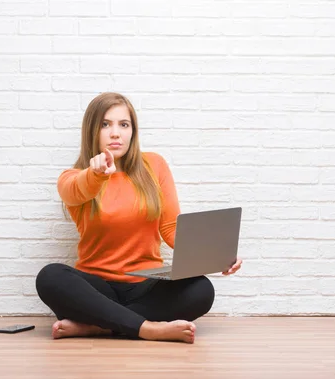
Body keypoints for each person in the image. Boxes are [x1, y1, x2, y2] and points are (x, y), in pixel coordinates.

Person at [35, 92, 242, 344]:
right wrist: (97, 174)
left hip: (147, 285)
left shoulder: (154, 165)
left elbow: (169, 228)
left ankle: (100, 326)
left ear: (133, 130)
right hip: (96, 289)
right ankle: (149, 329)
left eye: (124, 124)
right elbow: (80, 188)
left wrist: (214, 255)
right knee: (50, 277)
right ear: (92, 130)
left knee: (201, 289)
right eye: (105, 124)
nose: (115, 133)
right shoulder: (75, 176)